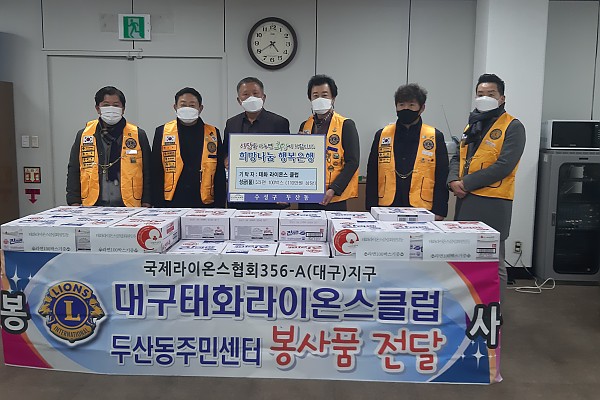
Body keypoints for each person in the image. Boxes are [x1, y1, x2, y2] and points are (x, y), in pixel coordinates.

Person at [447, 73, 526, 292]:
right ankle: (471, 304)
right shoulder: (472, 125)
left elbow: (504, 165)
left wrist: (466, 183)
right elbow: (458, 157)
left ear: (502, 98)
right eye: (480, 94)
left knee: (493, 261)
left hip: (493, 202)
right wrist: (452, 180)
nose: (484, 98)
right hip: (466, 200)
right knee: (465, 258)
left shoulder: (513, 126)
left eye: (490, 94)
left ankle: (495, 308)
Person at [365, 83, 449, 219]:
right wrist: (370, 207)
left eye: (411, 105)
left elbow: (442, 175)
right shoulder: (382, 135)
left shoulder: (434, 136)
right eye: (401, 105)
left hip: (422, 207)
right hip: (386, 205)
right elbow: (372, 172)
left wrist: (440, 211)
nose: (406, 109)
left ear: (422, 108)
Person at [66, 86, 151, 207]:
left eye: (116, 105)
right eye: (106, 105)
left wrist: (147, 201)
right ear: (98, 108)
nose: (111, 109)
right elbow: (74, 169)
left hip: (129, 203)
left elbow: (148, 170)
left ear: (123, 109)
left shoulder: (138, 134)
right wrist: (73, 201)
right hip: (93, 204)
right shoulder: (84, 135)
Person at [151, 87, 226, 208]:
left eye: (192, 105)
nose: (187, 108)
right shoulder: (162, 131)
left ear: (200, 108)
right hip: (171, 201)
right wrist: (157, 204)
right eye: (183, 105)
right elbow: (156, 170)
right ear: (175, 107)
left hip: (205, 201)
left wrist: (220, 205)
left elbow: (219, 172)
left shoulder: (213, 133)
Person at [223, 77, 290, 210]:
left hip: (270, 194)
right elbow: (225, 151)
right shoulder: (231, 123)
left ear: (263, 97)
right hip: (240, 193)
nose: (251, 98)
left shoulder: (279, 123)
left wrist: (284, 192)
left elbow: (286, 159)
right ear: (239, 100)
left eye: (255, 93)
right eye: (246, 94)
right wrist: (226, 160)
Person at [298, 74, 360, 211]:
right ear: (310, 99)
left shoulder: (346, 125)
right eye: (315, 96)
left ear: (333, 98)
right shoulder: (305, 125)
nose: (319, 99)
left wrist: (334, 189)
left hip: (334, 196)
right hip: (307, 194)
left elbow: (353, 162)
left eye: (324, 95)